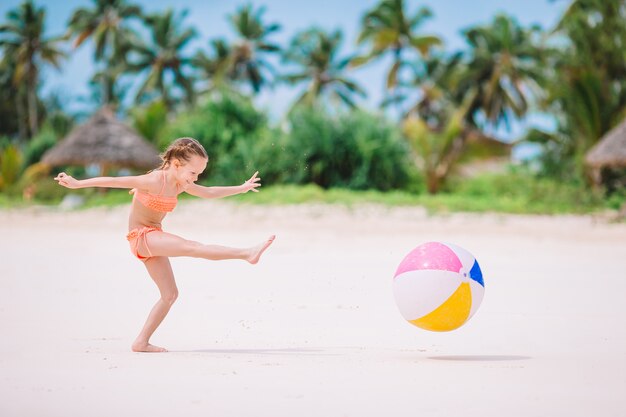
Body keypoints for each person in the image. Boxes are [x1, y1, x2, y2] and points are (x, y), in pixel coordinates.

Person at [54, 137, 275, 353]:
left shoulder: (181, 183)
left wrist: (242, 188)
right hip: (141, 236)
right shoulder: (154, 181)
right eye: (193, 173)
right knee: (193, 247)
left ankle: (141, 342)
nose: (196, 178)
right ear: (177, 165)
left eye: (199, 174)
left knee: (170, 295)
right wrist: (77, 183)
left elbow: (209, 192)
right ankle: (246, 253)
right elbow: (113, 180)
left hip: (154, 237)